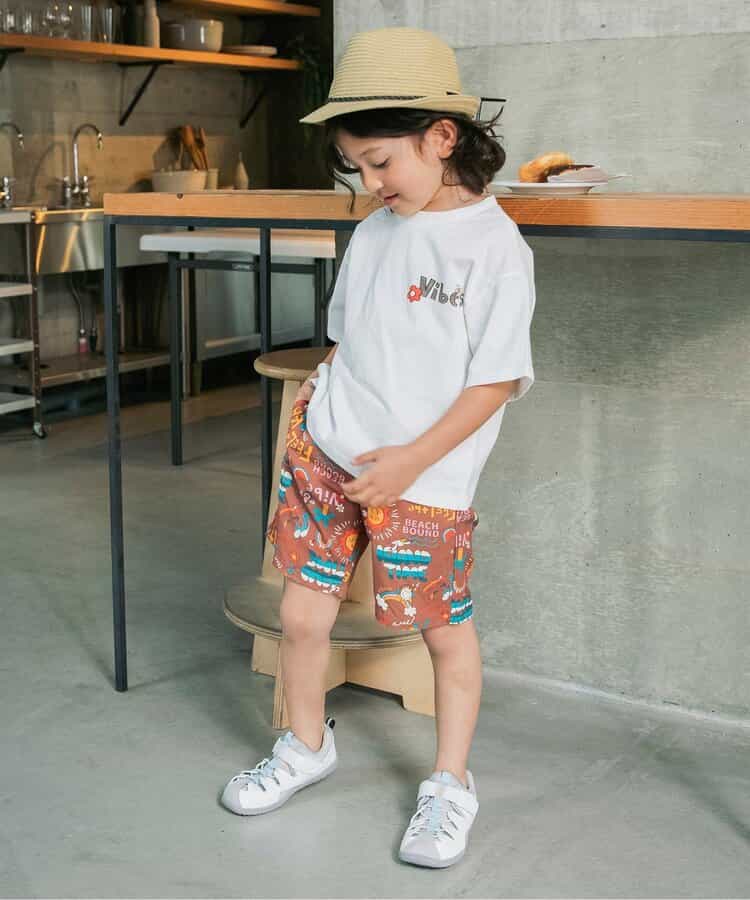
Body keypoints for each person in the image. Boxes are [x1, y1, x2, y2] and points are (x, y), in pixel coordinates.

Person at [221, 26, 536, 870]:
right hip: (328, 458)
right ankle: (305, 746)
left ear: (442, 136)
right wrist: (316, 410)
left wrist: (407, 461)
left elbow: (494, 383)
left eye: (380, 162)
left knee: (442, 631)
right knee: (300, 615)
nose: (369, 184)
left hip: (424, 480)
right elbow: (348, 338)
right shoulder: (374, 232)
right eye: (355, 167)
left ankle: (450, 783)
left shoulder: (495, 250)